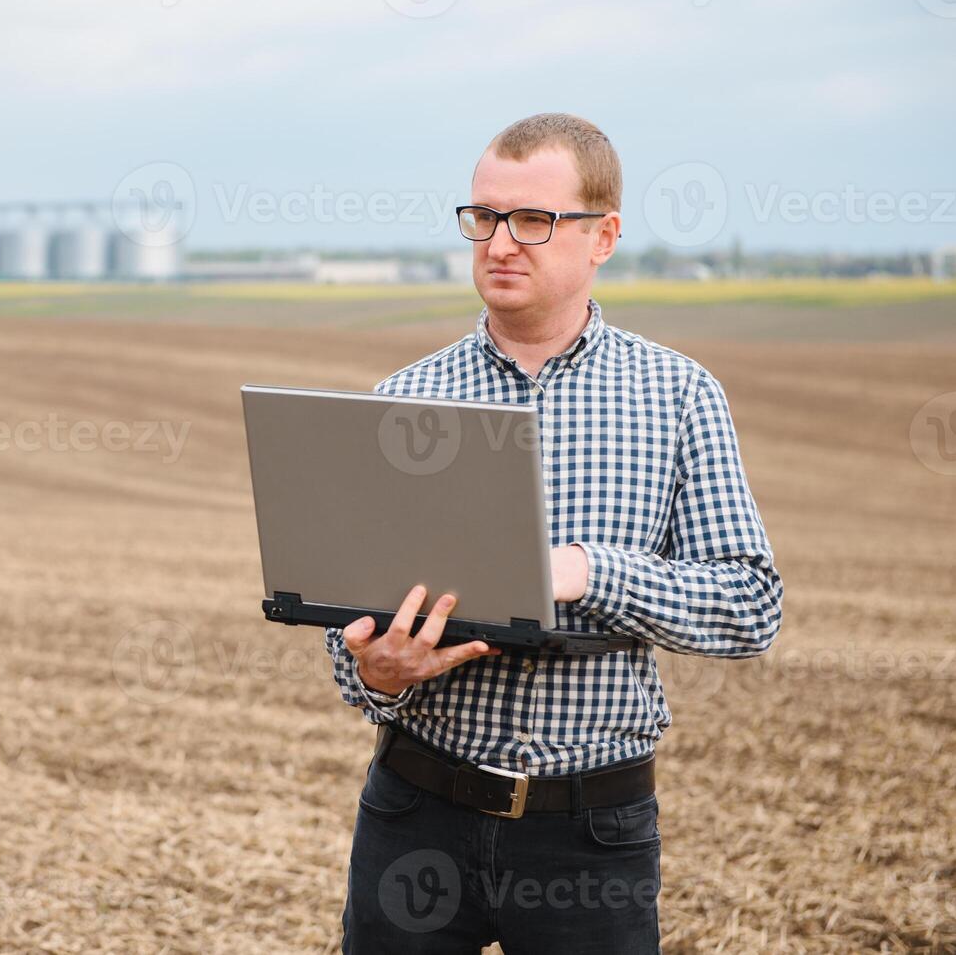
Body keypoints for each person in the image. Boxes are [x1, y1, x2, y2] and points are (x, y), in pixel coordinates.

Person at [326, 112, 783, 954]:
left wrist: (586, 570)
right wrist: (376, 672)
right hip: (415, 812)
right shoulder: (403, 400)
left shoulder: (678, 396)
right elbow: (348, 628)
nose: (501, 242)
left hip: (591, 835)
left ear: (603, 235)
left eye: (534, 220)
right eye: (484, 217)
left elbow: (749, 606)